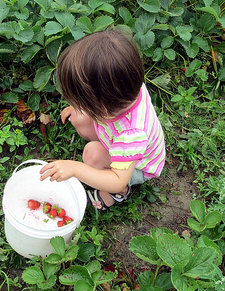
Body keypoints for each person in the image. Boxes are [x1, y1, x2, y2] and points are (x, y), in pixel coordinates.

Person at [40, 28, 166, 210]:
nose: (75, 102)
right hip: (119, 138)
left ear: (103, 106)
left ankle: (116, 195)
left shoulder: (132, 134)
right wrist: (81, 106)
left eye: (82, 99)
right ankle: (107, 152)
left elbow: (116, 180)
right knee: (79, 116)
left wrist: (75, 169)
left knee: (92, 154)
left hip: (137, 166)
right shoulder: (125, 83)